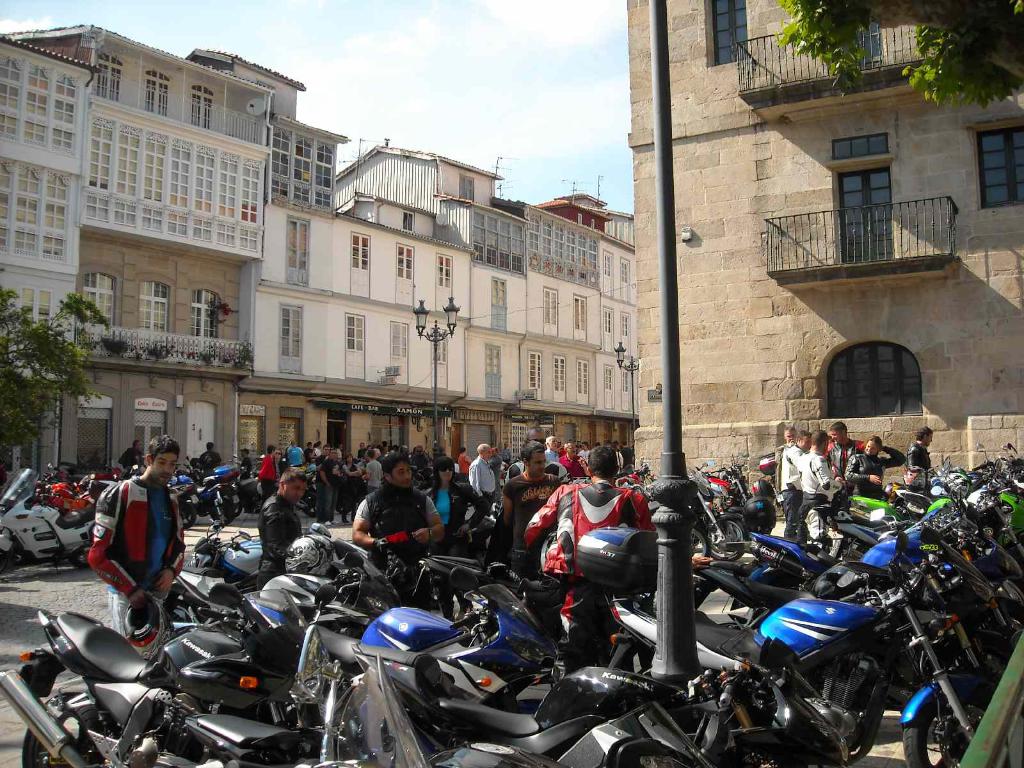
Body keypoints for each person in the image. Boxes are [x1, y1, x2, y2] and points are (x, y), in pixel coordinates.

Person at [524, 445, 655, 672]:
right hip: (617, 589)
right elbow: (649, 540)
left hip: (575, 585)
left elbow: (533, 528)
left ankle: (570, 689)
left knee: (572, 650)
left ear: (588, 468)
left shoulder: (565, 492)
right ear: (617, 469)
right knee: (617, 654)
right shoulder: (634, 498)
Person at [90, 434, 185, 637]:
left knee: (158, 652)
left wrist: (170, 571)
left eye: (172, 464)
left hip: (158, 593)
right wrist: (130, 589)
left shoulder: (172, 498)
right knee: (128, 654)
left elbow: (179, 544)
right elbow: (98, 555)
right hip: (127, 596)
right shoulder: (119, 493)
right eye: (162, 462)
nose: (167, 469)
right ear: (149, 460)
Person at [352, 452, 444, 607]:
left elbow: (439, 529)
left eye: (408, 471)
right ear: (387, 476)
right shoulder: (371, 502)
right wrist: (376, 542)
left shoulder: (423, 500)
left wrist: (429, 533)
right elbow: (357, 534)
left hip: (417, 574)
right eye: (401, 472)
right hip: (382, 573)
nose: (407, 476)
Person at [429, 456, 489, 616]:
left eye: (450, 468)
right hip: (437, 541)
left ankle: (466, 609)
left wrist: (469, 524)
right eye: (443, 469)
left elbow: (483, 505)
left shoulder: (462, 489)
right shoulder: (429, 494)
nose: (447, 472)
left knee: (458, 576)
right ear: (437, 472)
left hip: (457, 538)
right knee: (440, 580)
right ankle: (447, 616)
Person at [501, 441, 562, 576]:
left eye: (544, 462)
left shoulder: (554, 482)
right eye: (538, 462)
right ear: (526, 462)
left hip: (548, 549)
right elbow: (507, 519)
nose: (542, 466)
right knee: (520, 587)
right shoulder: (512, 486)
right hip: (522, 551)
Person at [257, 468, 306, 588]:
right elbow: (276, 545)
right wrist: (302, 558)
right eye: (296, 488)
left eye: (303, 490)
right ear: (283, 485)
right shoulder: (274, 508)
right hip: (274, 574)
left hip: (284, 571)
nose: (299, 493)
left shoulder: (287, 504)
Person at [798, 430, 839, 544]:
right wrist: (839, 485)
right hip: (817, 506)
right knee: (819, 540)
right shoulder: (818, 459)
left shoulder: (802, 457)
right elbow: (827, 485)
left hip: (806, 502)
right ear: (825, 443)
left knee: (806, 540)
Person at [781, 429, 810, 540]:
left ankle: (801, 544)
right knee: (792, 523)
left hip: (796, 491)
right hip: (792, 492)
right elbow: (804, 467)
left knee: (800, 522)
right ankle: (787, 545)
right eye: (807, 442)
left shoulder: (798, 452)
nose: (809, 445)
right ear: (799, 440)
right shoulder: (795, 452)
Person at [826, 422, 861, 489]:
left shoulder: (858, 446)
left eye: (834, 435)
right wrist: (834, 476)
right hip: (837, 484)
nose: (832, 438)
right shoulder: (830, 447)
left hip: (855, 486)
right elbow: (825, 465)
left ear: (843, 433)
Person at [316, 448, 341, 524]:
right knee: (328, 502)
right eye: (332, 453)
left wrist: (340, 474)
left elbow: (340, 471)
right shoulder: (326, 462)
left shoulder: (337, 462)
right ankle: (326, 519)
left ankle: (331, 519)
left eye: (335, 453)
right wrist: (326, 482)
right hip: (329, 485)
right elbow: (322, 472)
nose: (334, 454)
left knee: (334, 503)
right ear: (330, 454)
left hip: (336, 484)